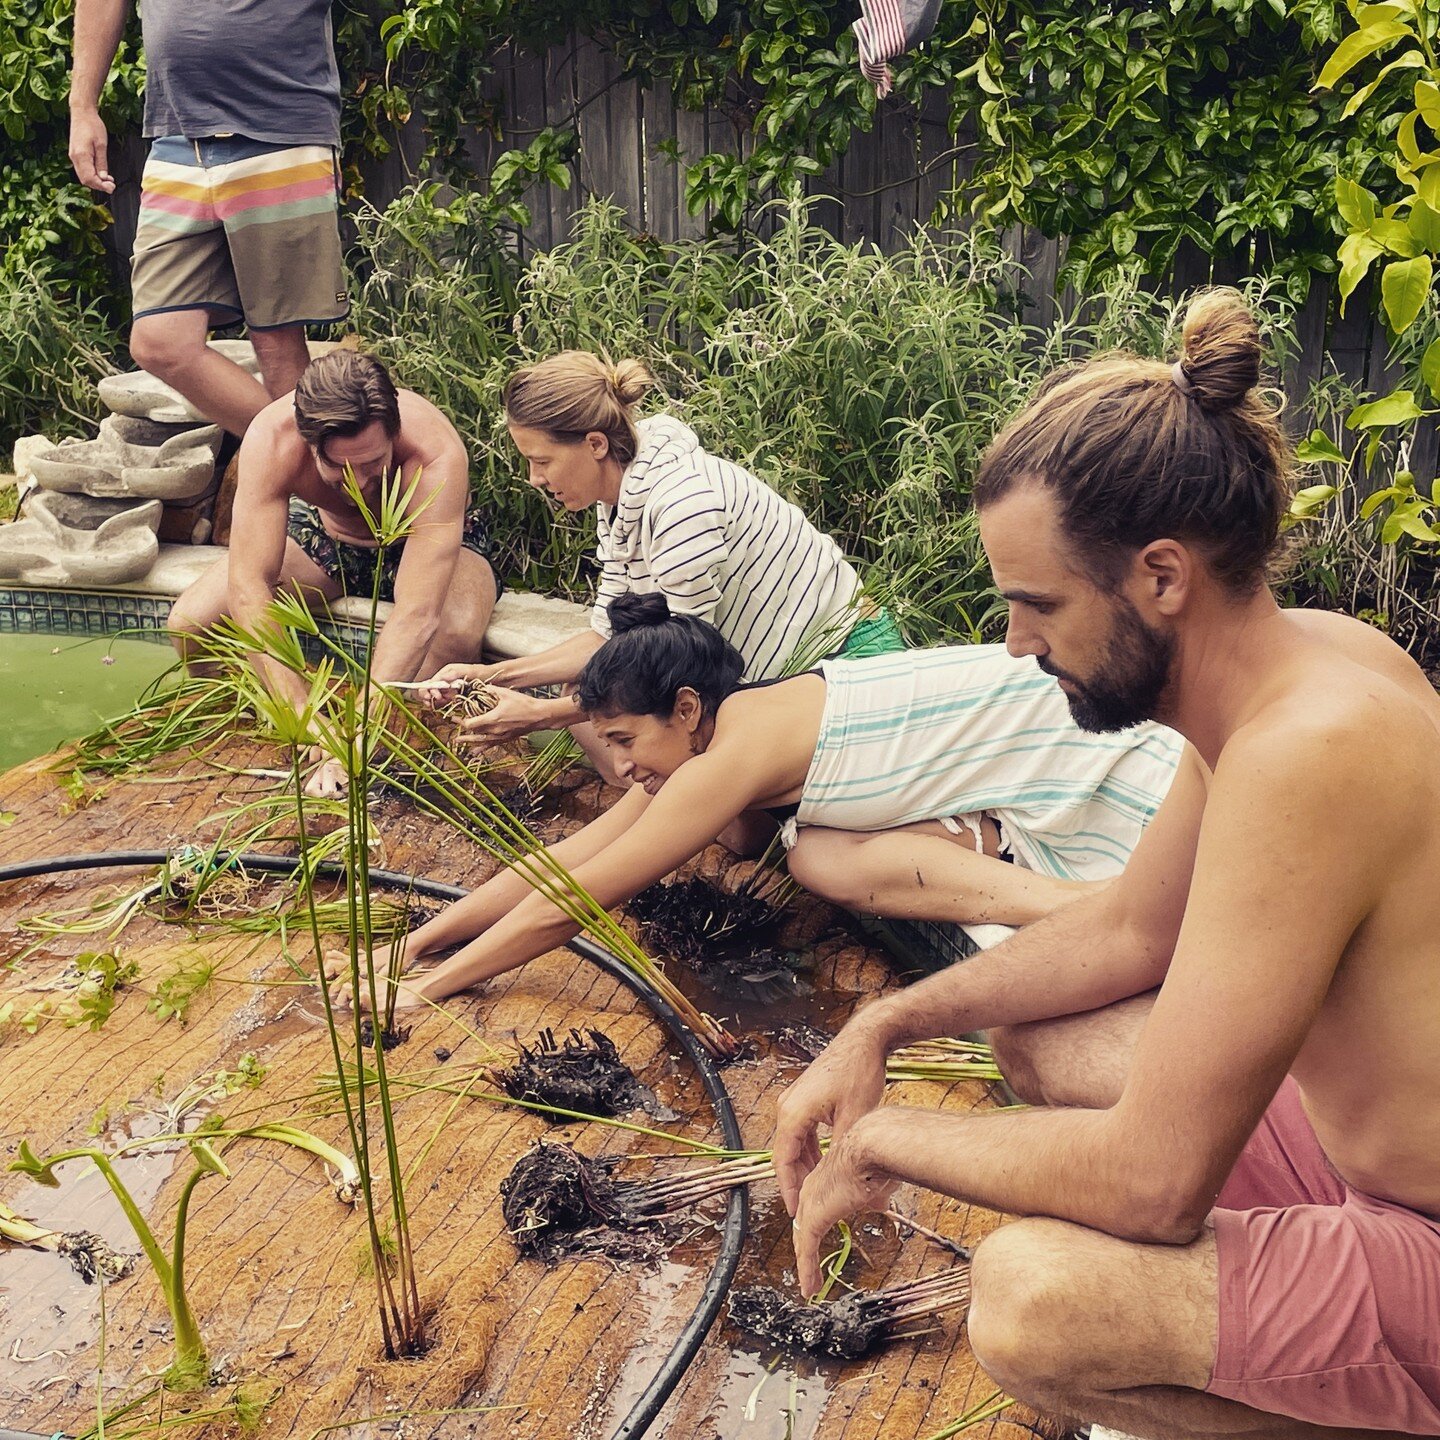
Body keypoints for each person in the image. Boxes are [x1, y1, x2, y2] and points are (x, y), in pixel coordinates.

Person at [773, 291, 1440, 1438]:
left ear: (1161, 576)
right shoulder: (1312, 660)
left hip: (1425, 1236)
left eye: (1037, 605)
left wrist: (886, 1140)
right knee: (1040, 1031)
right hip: (1365, 1155)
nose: (1016, 645)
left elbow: (1153, 1182)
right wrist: (879, 1030)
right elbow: (1133, 928)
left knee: (1033, 1302)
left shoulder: (1310, 755)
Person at [332, 592, 1183, 1010]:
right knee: (816, 854)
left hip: (1087, 744)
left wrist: (427, 993)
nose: (620, 769)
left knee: (813, 850)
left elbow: (577, 904)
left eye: (625, 741)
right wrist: (416, 945)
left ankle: (1095, 904)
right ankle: (1074, 902)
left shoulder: (727, 758)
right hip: (1012, 767)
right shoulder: (726, 736)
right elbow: (565, 861)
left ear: (688, 709)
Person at [419, 352, 904, 782]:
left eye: (541, 460)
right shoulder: (620, 502)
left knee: (691, 784)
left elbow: (684, 665)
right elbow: (608, 636)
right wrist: (490, 678)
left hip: (843, 665)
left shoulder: (682, 506)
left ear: (595, 444)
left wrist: (542, 715)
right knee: (588, 692)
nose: (535, 478)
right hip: (756, 672)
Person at [169, 350, 499, 796]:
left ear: (394, 432)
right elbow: (248, 588)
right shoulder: (271, 438)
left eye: (372, 464)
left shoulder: (434, 451)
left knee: (453, 637)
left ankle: (405, 767)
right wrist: (301, 713)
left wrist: (354, 730)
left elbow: (418, 613)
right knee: (192, 623)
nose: (362, 483)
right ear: (308, 443)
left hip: (428, 548)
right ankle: (257, 741)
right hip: (331, 541)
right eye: (340, 468)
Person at [69, 0, 346, 437]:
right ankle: (319, 478)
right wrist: (82, 106)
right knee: (160, 342)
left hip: (281, 129)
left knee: (277, 344)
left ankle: (313, 493)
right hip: (177, 134)